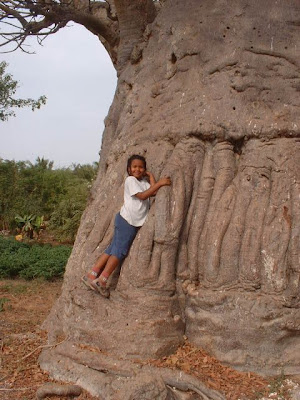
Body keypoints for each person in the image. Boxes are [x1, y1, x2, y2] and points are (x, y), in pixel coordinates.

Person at [82, 154, 171, 298]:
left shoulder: (143, 183)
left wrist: (153, 178)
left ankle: (91, 275)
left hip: (129, 221)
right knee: (120, 251)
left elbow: (152, 192)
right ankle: (102, 280)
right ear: (129, 169)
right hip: (128, 221)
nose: (138, 169)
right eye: (134, 167)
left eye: (141, 167)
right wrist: (160, 183)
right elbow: (142, 196)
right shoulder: (130, 180)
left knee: (112, 249)